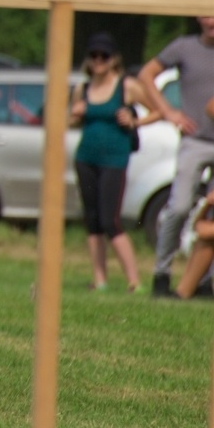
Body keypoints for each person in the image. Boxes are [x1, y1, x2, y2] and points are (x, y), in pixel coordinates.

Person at [67, 32, 161, 292]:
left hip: (114, 160)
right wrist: (75, 114)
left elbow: (158, 111)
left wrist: (134, 121)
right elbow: (72, 122)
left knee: (110, 220)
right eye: (94, 55)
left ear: (113, 59)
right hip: (86, 157)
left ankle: (134, 281)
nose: (99, 60)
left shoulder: (126, 86)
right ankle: (100, 280)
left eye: (104, 55)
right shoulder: (82, 88)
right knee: (93, 220)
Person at [141, 16, 214, 298]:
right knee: (180, 207)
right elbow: (146, 75)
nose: (211, 20)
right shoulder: (184, 47)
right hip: (195, 140)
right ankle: (162, 272)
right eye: (207, 14)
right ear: (198, 17)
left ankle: (204, 282)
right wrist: (168, 112)